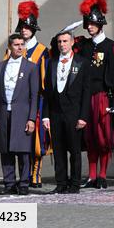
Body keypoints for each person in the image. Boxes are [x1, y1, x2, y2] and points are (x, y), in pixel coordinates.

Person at [74, 0, 114, 190]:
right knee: (89, 138)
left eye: (92, 24)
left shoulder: (113, 47)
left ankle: (103, 175)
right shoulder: (83, 46)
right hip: (86, 98)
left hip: (104, 97)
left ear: (101, 24)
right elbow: (59, 44)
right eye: (87, 23)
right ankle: (92, 175)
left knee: (103, 138)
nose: (89, 27)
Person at [42, 29, 91, 194]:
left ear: (72, 43)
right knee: (58, 150)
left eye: (65, 41)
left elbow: (86, 92)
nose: (62, 44)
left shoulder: (82, 62)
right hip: (55, 113)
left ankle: (75, 184)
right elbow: (48, 92)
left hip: (74, 113)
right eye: (59, 42)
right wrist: (46, 115)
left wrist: (83, 116)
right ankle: (61, 183)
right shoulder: (52, 63)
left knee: (75, 151)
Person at [0, 33, 39, 195]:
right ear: (10, 47)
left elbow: (34, 96)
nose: (20, 47)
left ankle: (24, 183)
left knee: (23, 151)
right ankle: (9, 183)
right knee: (6, 151)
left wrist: (32, 118)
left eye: (22, 44)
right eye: (16, 45)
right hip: (4, 113)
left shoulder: (31, 67)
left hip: (22, 114)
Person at [10, 0, 50, 188]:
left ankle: (36, 173)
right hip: (16, 101)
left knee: (36, 139)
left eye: (27, 27)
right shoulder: (14, 49)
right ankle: (21, 175)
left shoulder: (42, 51)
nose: (24, 30)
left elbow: (45, 79)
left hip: (36, 98)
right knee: (18, 138)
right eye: (22, 27)